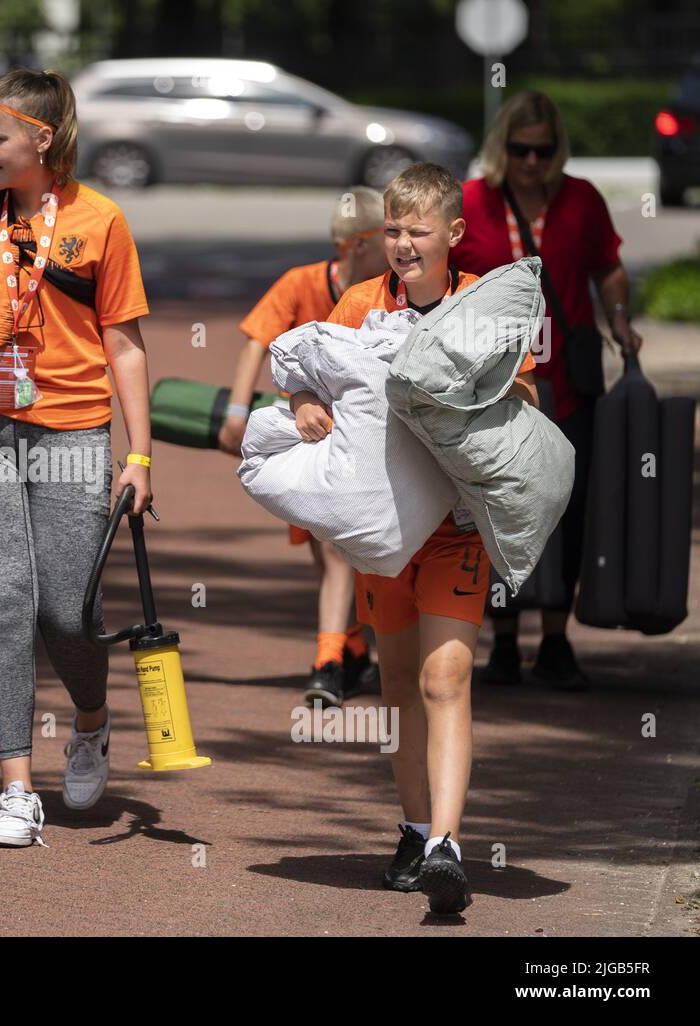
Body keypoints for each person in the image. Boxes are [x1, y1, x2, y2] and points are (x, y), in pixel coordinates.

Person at [0, 69, 152, 848]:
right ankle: (16, 787)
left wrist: (139, 455)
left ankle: (90, 721)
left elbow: (124, 343)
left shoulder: (101, 220)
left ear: (42, 140)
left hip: (73, 430)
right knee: (4, 593)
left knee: (66, 611)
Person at [291, 164, 540, 913]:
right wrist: (305, 404)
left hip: (455, 532)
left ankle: (448, 847)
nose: (402, 244)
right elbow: (307, 369)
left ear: (454, 236)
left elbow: (526, 391)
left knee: (445, 681)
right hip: (383, 532)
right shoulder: (359, 302)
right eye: (392, 230)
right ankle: (413, 826)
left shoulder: (483, 303)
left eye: (417, 231)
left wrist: (482, 404)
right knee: (397, 682)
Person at [452, 91, 643, 691]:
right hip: (494, 381)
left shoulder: (581, 199)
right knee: (500, 503)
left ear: (557, 149)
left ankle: (556, 641)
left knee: (570, 502)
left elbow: (607, 267)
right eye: (520, 149)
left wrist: (617, 317)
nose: (532, 162)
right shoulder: (475, 201)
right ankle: (505, 644)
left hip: (568, 382)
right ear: (501, 147)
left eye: (543, 150)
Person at [219, 187, 388, 707]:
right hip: (309, 439)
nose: (400, 244)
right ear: (360, 243)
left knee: (341, 556)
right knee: (333, 556)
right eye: (390, 235)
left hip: (362, 441)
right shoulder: (302, 283)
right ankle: (330, 660)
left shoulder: (387, 294)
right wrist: (237, 412)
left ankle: (346, 653)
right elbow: (257, 340)